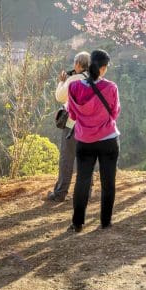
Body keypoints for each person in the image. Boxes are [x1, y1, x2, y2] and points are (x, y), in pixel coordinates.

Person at [67, 50, 120, 232]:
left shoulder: (73, 87)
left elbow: (72, 114)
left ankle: (77, 222)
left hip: (84, 140)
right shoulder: (111, 87)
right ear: (103, 68)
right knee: (108, 182)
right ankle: (105, 222)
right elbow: (114, 112)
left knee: (82, 180)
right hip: (108, 140)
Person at [47, 51, 90, 202]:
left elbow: (60, 97)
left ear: (78, 64)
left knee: (67, 159)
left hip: (72, 126)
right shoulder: (95, 80)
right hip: (90, 127)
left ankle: (60, 193)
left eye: (75, 63)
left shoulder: (73, 81)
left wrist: (61, 81)